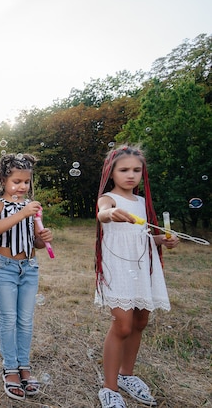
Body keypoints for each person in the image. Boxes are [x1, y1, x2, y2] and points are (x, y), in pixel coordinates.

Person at [95, 145, 178, 408]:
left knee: (140, 321)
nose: (130, 175)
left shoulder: (143, 203)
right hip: (118, 267)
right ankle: (109, 388)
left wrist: (163, 240)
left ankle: (126, 375)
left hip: (143, 267)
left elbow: (142, 238)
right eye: (124, 170)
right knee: (122, 325)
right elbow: (102, 212)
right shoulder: (109, 198)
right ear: (111, 172)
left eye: (136, 170)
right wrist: (109, 213)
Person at [0, 153, 53, 402]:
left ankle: (24, 365)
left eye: (26, 182)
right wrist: (23, 212)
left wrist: (44, 239)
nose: (22, 187)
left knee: (25, 319)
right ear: (4, 180)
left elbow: (36, 239)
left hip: (29, 267)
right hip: (5, 267)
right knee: (8, 318)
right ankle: (10, 368)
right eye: (16, 181)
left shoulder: (31, 205)